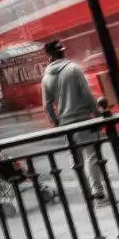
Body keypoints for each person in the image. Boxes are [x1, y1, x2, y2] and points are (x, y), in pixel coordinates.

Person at [40, 39, 106, 202]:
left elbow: (47, 106)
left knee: (75, 160)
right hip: (82, 119)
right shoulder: (73, 69)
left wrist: (56, 123)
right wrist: (96, 113)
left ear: (49, 57)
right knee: (91, 156)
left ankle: (85, 193)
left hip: (65, 125)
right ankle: (97, 191)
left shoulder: (46, 78)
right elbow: (87, 94)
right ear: (62, 52)